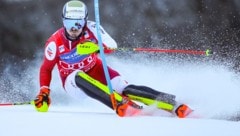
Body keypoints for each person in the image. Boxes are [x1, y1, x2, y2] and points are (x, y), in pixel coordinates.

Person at [33, 0, 192, 118]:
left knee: (127, 89)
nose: (74, 28)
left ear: (85, 20)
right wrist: (44, 91)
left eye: (78, 23)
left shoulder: (92, 28)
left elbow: (111, 45)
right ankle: (120, 104)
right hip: (74, 83)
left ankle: (174, 105)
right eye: (69, 22)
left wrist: (97, 46)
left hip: (97, 70)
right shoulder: (54, 43)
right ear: (63, 20)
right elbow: (46, 68)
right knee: (77, 75)